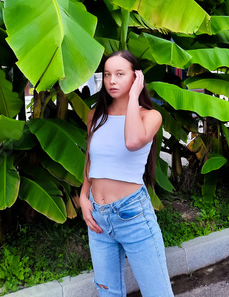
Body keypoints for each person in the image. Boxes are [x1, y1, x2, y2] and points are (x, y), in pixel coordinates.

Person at [78, 50, 174, 296]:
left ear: (136, 78)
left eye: (120, 74)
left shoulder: (150, 116)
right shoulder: (95, 116)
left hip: (133, 215)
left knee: (157, 293)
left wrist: (133, 97)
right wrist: (83, 195)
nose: (112, 80)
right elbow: (91, 159)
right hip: (98, 218)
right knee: (108, 293)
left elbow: (132, 141)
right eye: (108, 74)